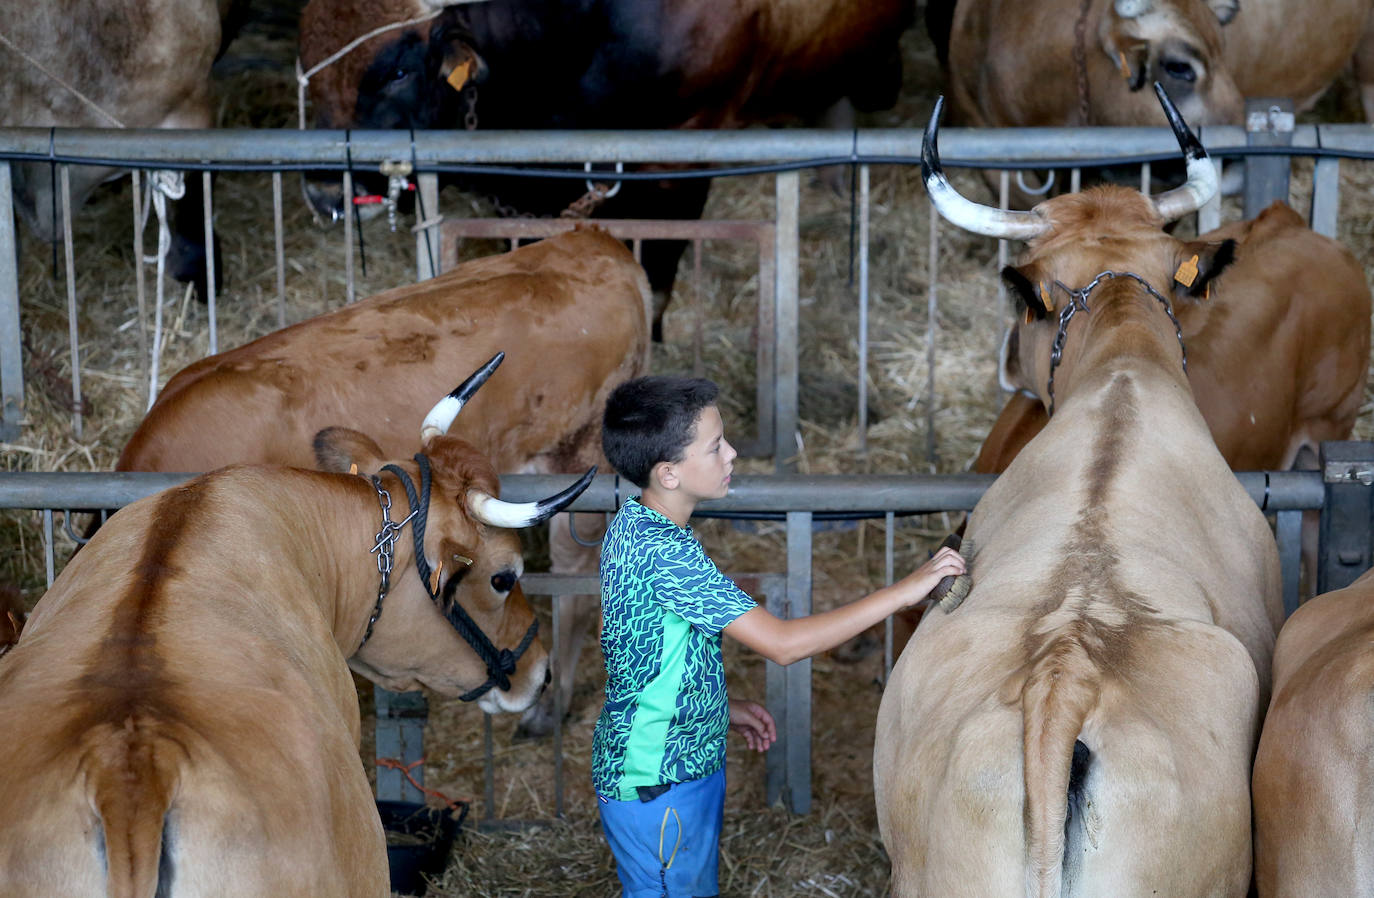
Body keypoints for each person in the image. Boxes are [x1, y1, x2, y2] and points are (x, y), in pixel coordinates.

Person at [592, 374, 967, 898]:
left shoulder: (637, 524)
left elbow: (646, 653)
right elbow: (783, 644)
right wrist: (905, 591)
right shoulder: (665, 553)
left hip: (672, 764)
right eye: (715, 446)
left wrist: (717, 708)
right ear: (669, 473)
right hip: (658, 784)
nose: (733, 453)